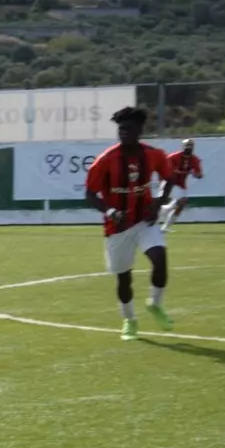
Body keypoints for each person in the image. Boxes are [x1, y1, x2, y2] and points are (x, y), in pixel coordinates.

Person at [83, 107, 174, 341]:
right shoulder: (106, 160)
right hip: (118, 228)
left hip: (145, 220)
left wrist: (158, 202)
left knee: (160, 259)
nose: (123, 133)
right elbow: (90, 194)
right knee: (124, 279)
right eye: (121, 129)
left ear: (139, 131)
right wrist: (111, 211)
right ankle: (129, 320)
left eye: (129, 129)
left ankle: (155, 303)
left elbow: (168, 178)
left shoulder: (153, 155)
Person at [159, 138, 203, 232]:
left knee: (181, 205)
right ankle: (163, 212)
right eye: (187, 145)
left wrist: (196, 174)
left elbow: (200, 174)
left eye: (190, 146)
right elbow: (171, 170)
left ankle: (165, 224)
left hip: (181, 184)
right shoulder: (173, 157)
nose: (189, 148)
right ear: (183, 146)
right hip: (169, 183)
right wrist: (187, 172)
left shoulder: (194, 159)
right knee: (182, 201)